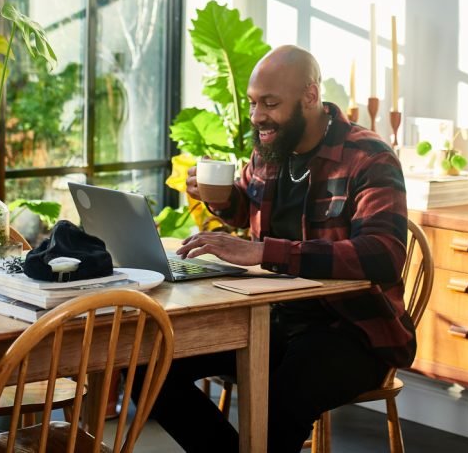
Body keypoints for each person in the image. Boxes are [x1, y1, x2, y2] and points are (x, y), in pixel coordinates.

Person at [148, 44, 415, 453]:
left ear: (310, 96)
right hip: (268, 317)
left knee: (282, 396)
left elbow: (383, 254)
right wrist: (219, 199)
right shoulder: (270, 149)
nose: (257, 117)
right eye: (254, 103)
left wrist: (266, 253)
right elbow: (247, 209)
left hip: (351, 330)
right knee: (148, 368)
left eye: (270, 103)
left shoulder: (368, 156)